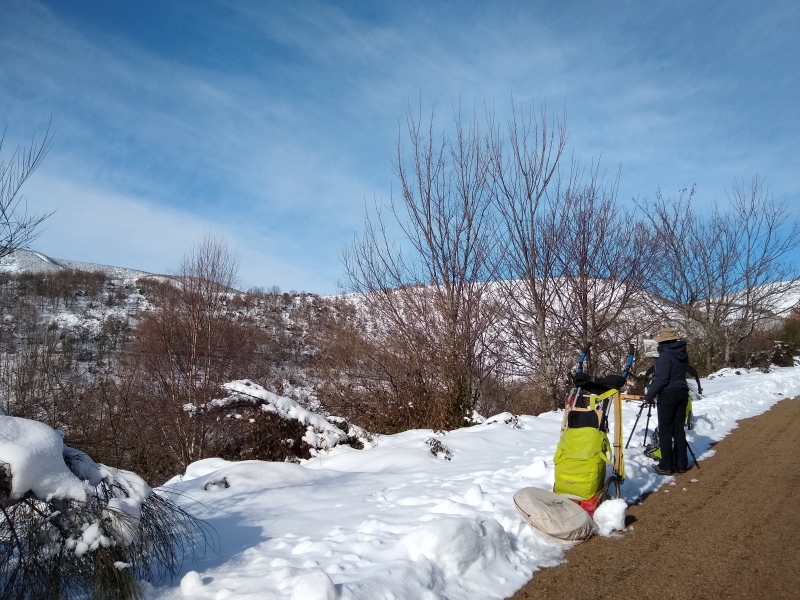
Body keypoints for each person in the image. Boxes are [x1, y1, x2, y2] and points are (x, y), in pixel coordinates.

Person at [644, 327, 691, 475]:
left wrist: (650, 393)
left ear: (662, 341)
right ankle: (681, 463)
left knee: (665, 430)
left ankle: (666, 465)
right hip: (682, 393)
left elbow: (662, 378)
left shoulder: (665, 355)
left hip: (668, 395)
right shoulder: (683, 353)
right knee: (678, 429)